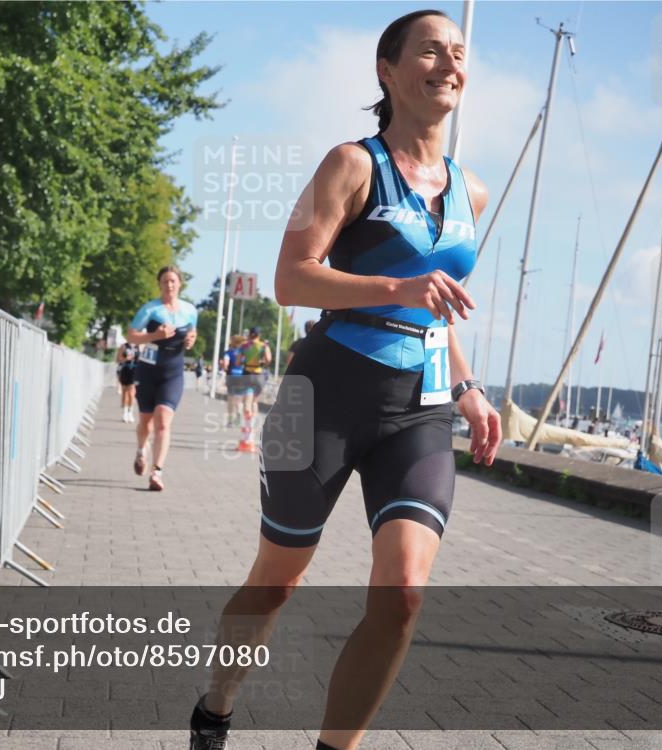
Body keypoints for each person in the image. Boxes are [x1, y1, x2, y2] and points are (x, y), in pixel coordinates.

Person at [188, 10, 501, 750]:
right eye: (430, 50)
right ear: (387, 70)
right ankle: (215, 708)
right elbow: (291, 279)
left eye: (457, 53)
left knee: (402, 595)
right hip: (322, 397)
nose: (448, 62)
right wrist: (399, 288)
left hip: (418, 414)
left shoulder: (473, 193)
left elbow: (441, 311)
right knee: (278, 578)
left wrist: (467, 387)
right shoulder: (352, 165)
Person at [127, 265, 197, 491]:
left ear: (180, 284)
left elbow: (192, 332)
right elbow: (132, 336)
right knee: (146, 421)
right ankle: (141, 450)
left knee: (163, 421)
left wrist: (190, 340)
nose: (169, 285)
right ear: (159, 284)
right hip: (148, 370)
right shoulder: (150, 309)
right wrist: (155, 335)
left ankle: (157, 472)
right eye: (165, 281)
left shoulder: (190, 310)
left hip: (173, 371)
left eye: (173, 281)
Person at [235, 327, 272, 450]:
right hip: (259, 375)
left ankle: (247, 434)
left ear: (250, 334)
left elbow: (237, 362)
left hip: (247, 373)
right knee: (254, 402)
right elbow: (268, 360)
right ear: (259, 335)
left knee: (247, 404)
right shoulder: (263, 345)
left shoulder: (244, 346)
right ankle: (251, 432)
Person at [222, 335, 246, 428]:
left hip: (231, 376)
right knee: (238, 399)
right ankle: (239, 413)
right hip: (242, 377)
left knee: (230, 399)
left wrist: (225, 369)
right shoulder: (243, 353)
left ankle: (230, 421)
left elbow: (225, 364)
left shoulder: (228, 353)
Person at [115, 341, 139, 422]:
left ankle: (130, 412)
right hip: (125, 370)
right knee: (125, 392)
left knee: (132, 393)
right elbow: (117, 359)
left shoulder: (139, 345)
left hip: (135, 371)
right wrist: (126, 359)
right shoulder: (124, 346)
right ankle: (125, 413)